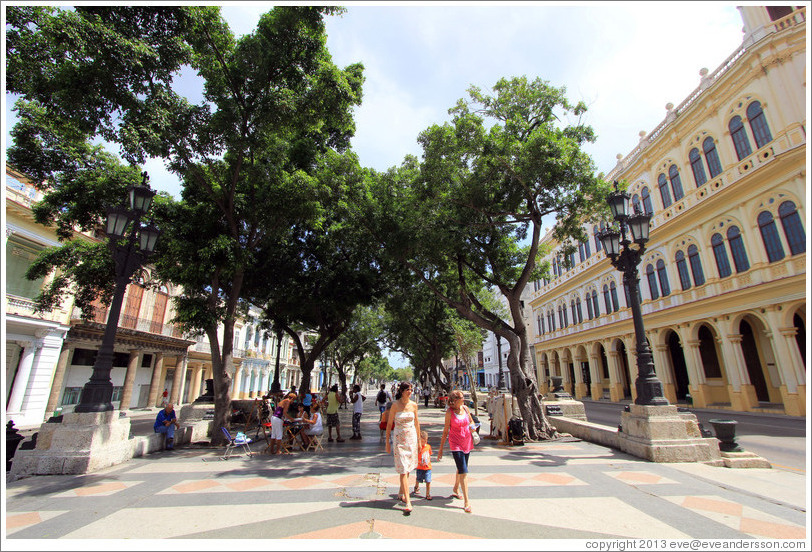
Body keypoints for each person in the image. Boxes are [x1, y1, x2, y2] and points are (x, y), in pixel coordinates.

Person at [438, 389, 475, 514]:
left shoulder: (465, 409)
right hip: (455, 444)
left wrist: (474, 432)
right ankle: (467, 502)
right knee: (464, 471)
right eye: (461, 397)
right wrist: (441, 449)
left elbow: (471, 421)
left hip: (467, 441)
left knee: (461, 467)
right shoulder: (449, 412)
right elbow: (445, 431)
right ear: (455, 400)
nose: (463, 399)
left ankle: (455, 489)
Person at [385, 381, 420, 514]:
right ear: (402, 391)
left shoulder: (414, 405)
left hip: (411, 439)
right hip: (399, 440)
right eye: (408, 390)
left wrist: (419, 441)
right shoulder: (395, 405)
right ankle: (408, 501)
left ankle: (401, 491)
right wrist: (387, 442)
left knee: (408, 466)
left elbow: (417, 423)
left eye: (411, 389)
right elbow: (389, 425)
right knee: (403, 469)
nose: (410, 392)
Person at [413, 430, 432, 500]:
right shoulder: (418, 448)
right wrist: (418, 462)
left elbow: (429, 454)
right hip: (420, 467)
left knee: (428, 480)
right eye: (423, 441)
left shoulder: (428, 447)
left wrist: (427, 462)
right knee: (418, 478)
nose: (424, 443)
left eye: (425, 441)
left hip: (427, 467)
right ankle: (416, 486)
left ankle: (428, 494)